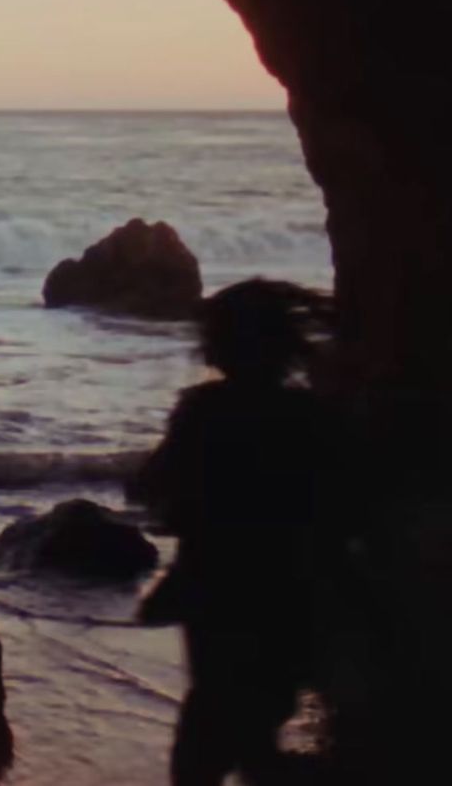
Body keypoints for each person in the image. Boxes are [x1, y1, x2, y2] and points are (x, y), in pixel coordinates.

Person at [133, 279, 342, 786]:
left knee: (207, 727)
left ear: (219, 347)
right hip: (289, 589)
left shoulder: (203, 409)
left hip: (214, 586)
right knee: (259, 715)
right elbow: (335, 503)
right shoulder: (307, 415)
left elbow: (154, 487)